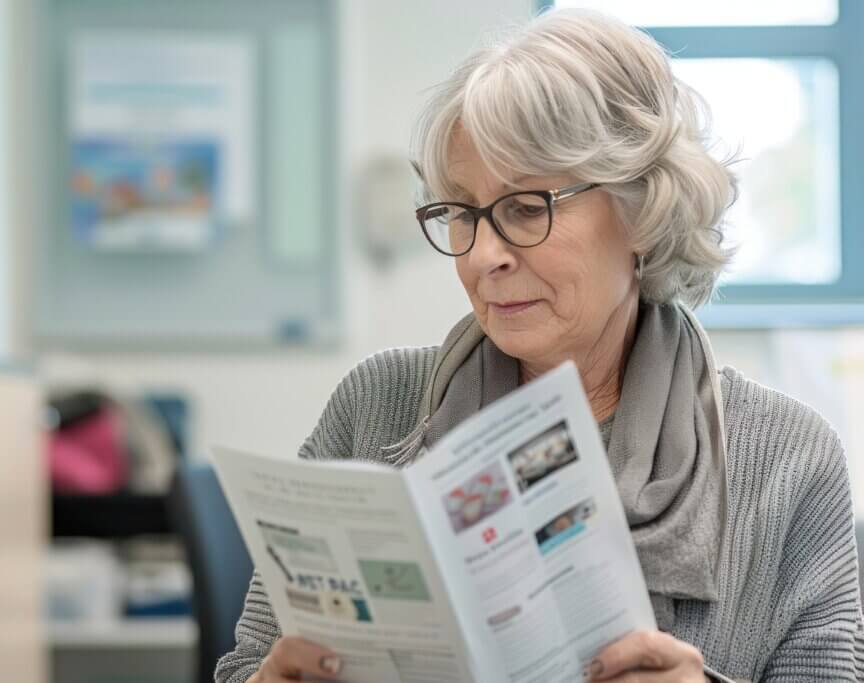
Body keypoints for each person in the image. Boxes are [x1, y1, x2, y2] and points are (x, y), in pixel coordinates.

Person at [216, 8, 864, 682]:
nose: (482, 255)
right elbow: (245, 666)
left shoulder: (788, 457)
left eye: (526, 208)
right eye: (462, 212)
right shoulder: (375, 404)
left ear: (643, 210)